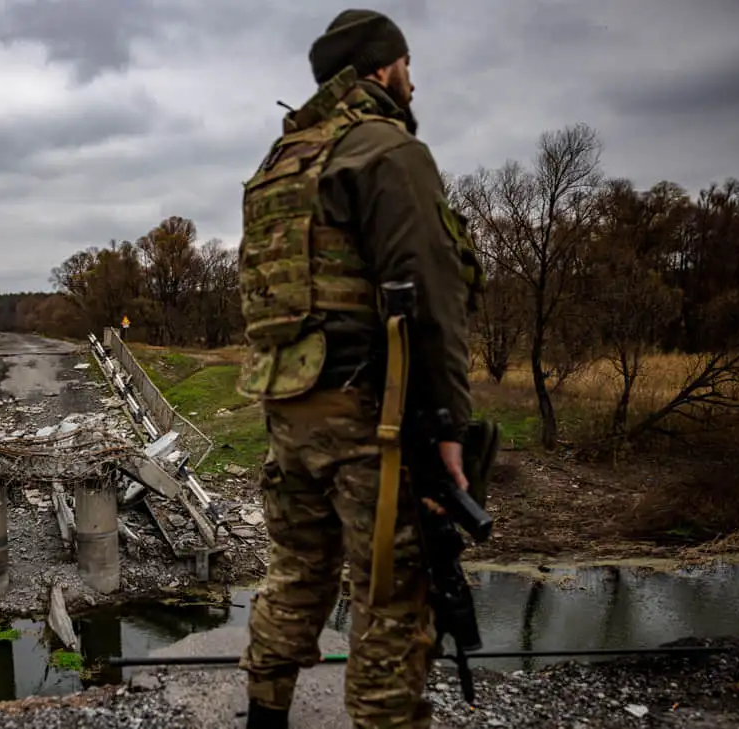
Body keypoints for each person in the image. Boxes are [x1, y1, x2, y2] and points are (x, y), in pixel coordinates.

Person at [234, 8, 483, 728]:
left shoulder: (279, 164)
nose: (414, 79)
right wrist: (448, 427)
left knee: (296, 576)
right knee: (392, 596)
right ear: (382, 68)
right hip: (371, 415)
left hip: (290, 412)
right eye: (407, 64)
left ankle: (265, 717)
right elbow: (431, 293)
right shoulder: (384, 149)